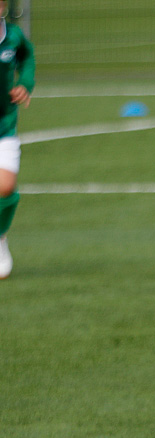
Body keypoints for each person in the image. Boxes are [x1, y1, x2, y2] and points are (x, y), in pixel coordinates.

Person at [0, 0, 34, 280]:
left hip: (4, 125)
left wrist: (25, 83)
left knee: (6, 186)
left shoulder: (12, 36)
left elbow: (27, 56)